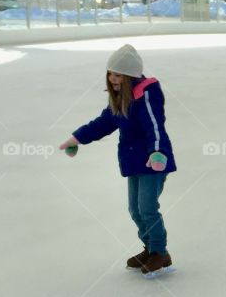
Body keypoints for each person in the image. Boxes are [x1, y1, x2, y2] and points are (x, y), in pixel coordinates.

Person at [59, 43, 177, 277]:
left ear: (130, 75)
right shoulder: (121, 99)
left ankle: (160, 253)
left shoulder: (146, 94)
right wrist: (76, 138)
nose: (113, 79)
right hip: (133, 161)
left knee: (148, 208)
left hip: (154, 161)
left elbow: (155, 126)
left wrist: (157, 152)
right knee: (135, 210)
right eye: (111, 74)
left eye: (118, 75)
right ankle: (150, 248)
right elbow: (103, 124)